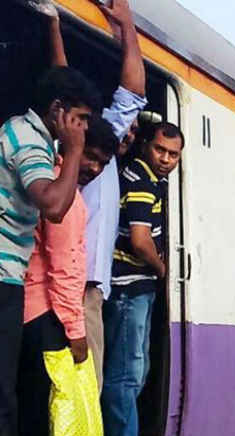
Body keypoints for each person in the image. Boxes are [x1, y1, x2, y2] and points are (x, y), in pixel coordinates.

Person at [46, 0, 148, 392]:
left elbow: (134, 92)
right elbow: (62, 83)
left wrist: (128, 25)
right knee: (79, 393)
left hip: (91, 291)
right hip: (74, 288)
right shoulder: (71, 151)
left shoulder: (101, 144)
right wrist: (54, 24)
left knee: (84, 393)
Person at [0, 65, 100, 436]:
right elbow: (54, 205)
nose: (83, 130)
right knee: (7, 397)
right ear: (57, 110)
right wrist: (73, 151)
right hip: (4, 274)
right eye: (81, 120)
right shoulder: (27, 140)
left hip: (11, 274)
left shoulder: (32, 138)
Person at [16, 114, 118, 436]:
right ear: (73, 147)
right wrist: (76, 332)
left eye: (103, 163)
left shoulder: (52, 185)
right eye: (90, 156)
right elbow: (64, 267)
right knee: (50, 417)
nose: (95, 168)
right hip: (48, 317)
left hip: (32, 312)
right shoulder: (66, 198)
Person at [101, 122, 184, 436]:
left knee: (135, 371)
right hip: (130, 288)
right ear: (146, 145)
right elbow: (139, 240)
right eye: (160, 150)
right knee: (124, 378)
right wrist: (163, 268)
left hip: (136, 289)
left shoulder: (145, 177)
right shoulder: (143, 182)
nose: (165, 159)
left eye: (173, 154)